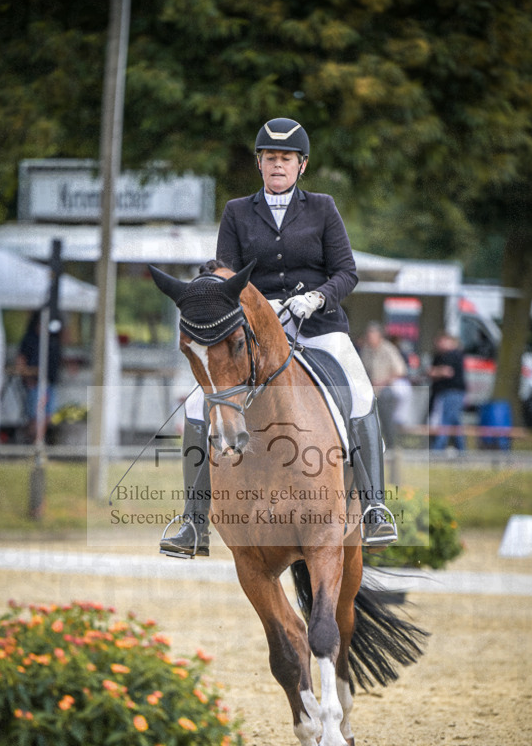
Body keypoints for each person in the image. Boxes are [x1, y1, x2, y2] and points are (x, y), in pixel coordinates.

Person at [160, 116, 398, 558]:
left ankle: (374, 508)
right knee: (198, 403)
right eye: (270, 158)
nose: (277, 165)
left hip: (320, 325)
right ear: (259, 164)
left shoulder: (323, 208)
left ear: (301, 165)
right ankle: (193, 522)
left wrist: (318, 299)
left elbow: (347, 272)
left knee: (361, 392)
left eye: (286, 159)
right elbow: (225, 274)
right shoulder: (236, 212)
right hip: (255, 328)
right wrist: (239, 299)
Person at [359, 322, 409, 448]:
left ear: (379, 336)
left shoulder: (388, 349)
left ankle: (392, 446)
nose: (369, 337)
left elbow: (400, 371)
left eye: (372, 335)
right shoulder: (367, 349)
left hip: (387, 388)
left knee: (386, 417)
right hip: (371, 390)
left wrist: (383, 382)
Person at [16, 310, 62, 442]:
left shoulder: (52, 339)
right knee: (35, 415)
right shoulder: (30, 339)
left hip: (49, 381)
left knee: (48, 414)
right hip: (35, 382)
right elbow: (21, 359)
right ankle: (33, 440)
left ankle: (38, 440)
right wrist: (26, 377)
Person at [428, 331, 467, 452]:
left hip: (452, 392)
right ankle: (461, 449)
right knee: (454, 421)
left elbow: (447, 372)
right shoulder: (440, 356)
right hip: (444, 392)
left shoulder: (453, 354)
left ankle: (438, 449)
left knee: (445, 420)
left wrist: (435, 371)